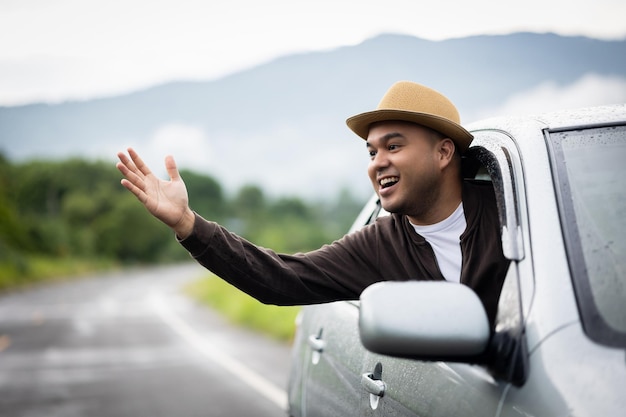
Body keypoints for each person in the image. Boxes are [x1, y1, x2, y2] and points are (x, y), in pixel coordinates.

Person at [116, 81, 510, 326]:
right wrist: (187, 223)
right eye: (371, 153)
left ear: (443, 153)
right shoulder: (378, 244)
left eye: (394, 146)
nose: (378, 164)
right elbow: (283, 278)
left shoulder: (516, 211)